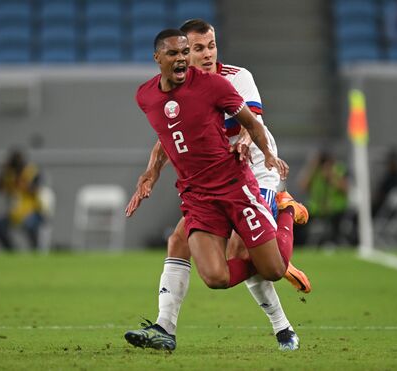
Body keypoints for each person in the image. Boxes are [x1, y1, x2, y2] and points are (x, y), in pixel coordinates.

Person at [124, 27, 308, 352]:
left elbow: (254, 123)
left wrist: (254, 148)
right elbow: (167, 135)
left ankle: (285, 216)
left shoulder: (233, 79)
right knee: (182, 244)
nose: (207, 54)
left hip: (252, 169)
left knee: (250, 255)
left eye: (211, 46)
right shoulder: (155, 95)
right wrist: (149, 174)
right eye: (197, 49)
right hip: (201, 188)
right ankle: (164, 327)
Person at [0, 149, 44, 251]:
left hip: (33, 211)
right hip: (13, 213)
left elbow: (37, 189)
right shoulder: (9, 174)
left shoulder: (31, 172)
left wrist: (23, 183)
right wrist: (3, 171)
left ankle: (36, 251)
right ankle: (11, 251)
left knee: (30, 225)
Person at [298, 150, 348, 247]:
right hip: (316, 209)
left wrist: (331, 176)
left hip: (335, 209)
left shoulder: (339, 170)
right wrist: (312, 168)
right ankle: (301, 244)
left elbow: (346, 189)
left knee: (336, 227)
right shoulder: (315, 171)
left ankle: (335, 243)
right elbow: (303, 186)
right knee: (299, 221)